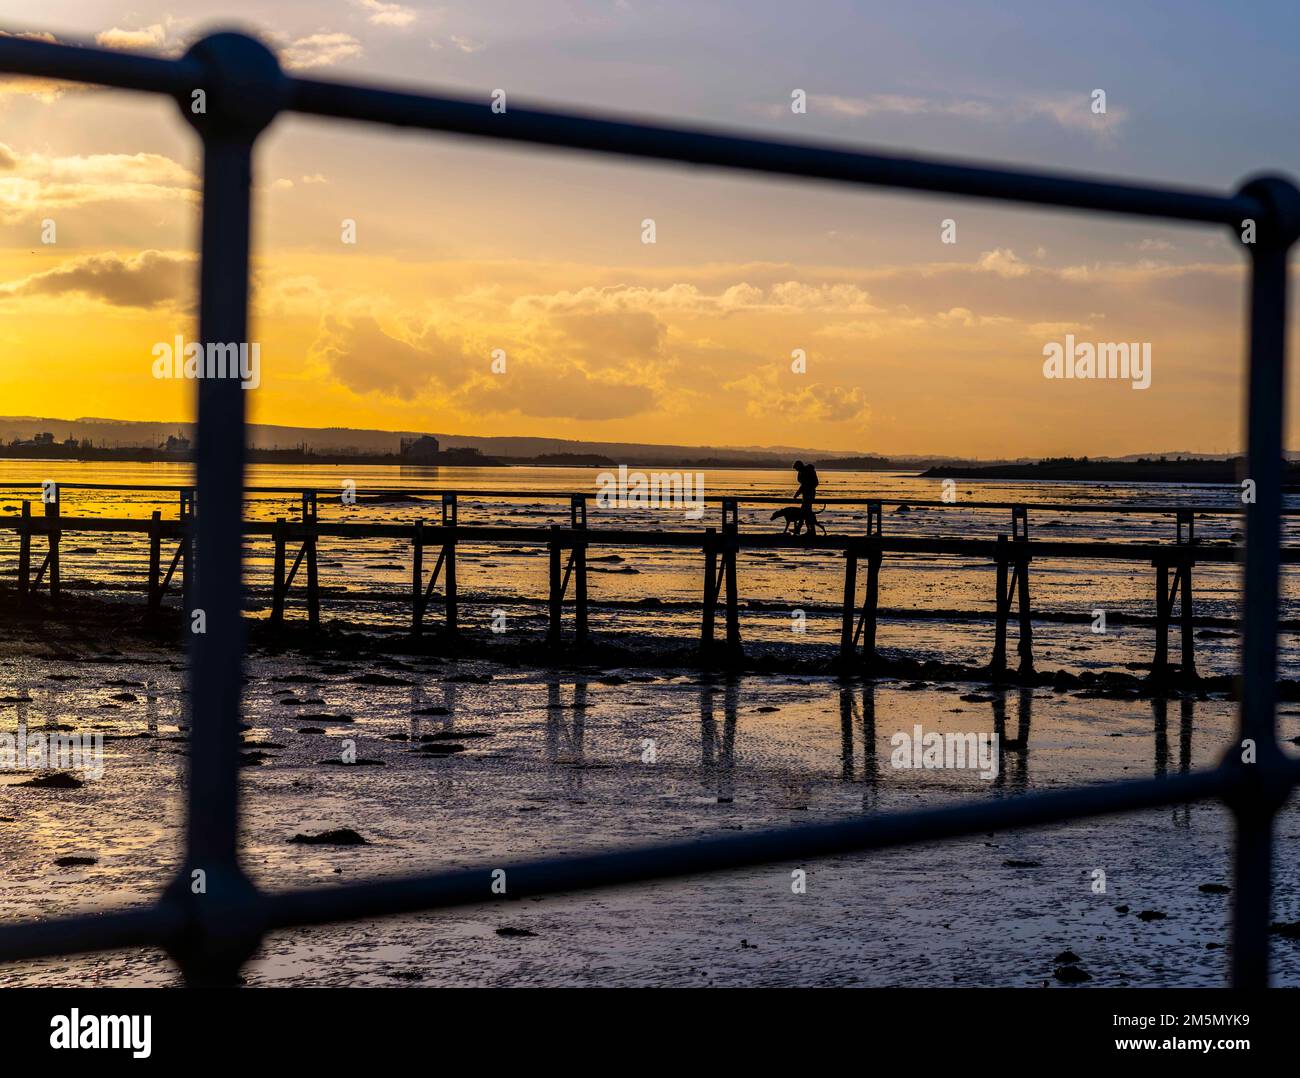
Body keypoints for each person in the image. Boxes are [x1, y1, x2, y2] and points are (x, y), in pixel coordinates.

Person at [793, 460, 819, 536]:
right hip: (806, 494)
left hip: (809, 494)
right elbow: (803, 485)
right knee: (807, 513)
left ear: (799, 466)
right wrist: (798, 493)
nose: (796, 470)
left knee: (804, 512)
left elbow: (804, 485)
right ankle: (809, 531)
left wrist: (797, 493)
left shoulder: (806, 472)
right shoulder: (802, 472)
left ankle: (800, 529)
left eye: (796, 468)